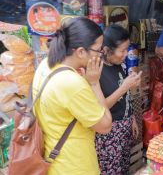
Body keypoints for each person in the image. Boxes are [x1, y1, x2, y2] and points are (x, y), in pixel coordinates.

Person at [32, 17, 112, 175]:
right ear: (81, 52)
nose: (101, 55)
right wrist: (94, 84)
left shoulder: (46, 65)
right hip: (75, 166)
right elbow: (105, 126)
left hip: (53, 161)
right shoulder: (72, 83)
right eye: (99, 50)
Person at [95, 24, 142, 175]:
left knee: (123, 168)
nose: (125, 54)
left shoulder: (119, 65)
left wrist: (131, 117)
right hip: (109, 134)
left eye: (126, 50)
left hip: (124, 128)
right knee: (111, 171)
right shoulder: (97, 72)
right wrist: (125, 86)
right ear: (107, 50)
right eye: (122, 50)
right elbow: (101, 108)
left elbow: (124, 97)